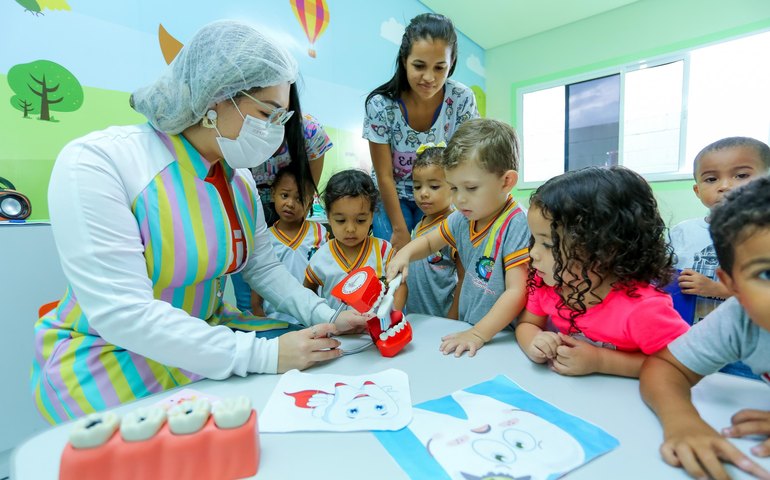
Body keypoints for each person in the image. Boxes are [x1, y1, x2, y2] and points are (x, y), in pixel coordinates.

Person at [30, 20, 366, 425]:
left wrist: (324, 314)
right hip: (110, 353)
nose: (274, 135)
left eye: (282, 120)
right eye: (266, 114)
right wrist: (265, 355)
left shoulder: (238, 180)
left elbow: (263, 267)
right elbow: (124, 314)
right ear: (215, 96)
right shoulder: (100, 162)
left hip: (210, 334)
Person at [640, 175, 770, 480]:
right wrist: (683, 421)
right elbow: (666, 366)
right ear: (732, 285)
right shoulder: (740, 318)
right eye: (766, 274)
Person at [516, 166, 690, 378]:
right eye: (534, 240)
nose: (532, 253)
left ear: (606, 249)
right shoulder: (549, 285)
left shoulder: (643, 309)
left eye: (548, 244)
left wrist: (600, 361)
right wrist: (535, 341)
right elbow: (527, 324)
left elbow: (683, 363)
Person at [387, 118, 530, 357]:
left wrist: (479, 334)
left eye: (471, 188)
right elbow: (431, 241)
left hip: (500, 338)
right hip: (468, 330)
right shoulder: (464, 217)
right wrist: (405, 254)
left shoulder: (516, 223)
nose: (459, 199)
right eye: (453, 188)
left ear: (506, 181)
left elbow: (517, 291)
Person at [363, 12, 479, 251]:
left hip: (442, 194)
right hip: (393, 197)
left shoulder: (461, 99)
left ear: (452, 64)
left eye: (440, 68)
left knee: (440, 262)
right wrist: (399, 230)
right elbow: (384, 175)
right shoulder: (380, 105)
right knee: (396, 260)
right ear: (404, 60)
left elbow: (467, 162)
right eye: (419, 66)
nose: (429, 77)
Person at [230, 95, 332, 313]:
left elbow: (307, 188)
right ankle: (251, 324)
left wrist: (292, 203)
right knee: (247, 292)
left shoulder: (310, 132)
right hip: (243, 208)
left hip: (288, 213)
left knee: (286, 272)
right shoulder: (234, 127)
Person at [669, 136, 770, 324]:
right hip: (691, 332)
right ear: (697, 190)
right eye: (711, 179)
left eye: (741, 175)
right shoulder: (682, 231)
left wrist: (717, 290)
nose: (724, 186)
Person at [304, 169, 406, 312]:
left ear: (371, 216)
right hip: (336, 332)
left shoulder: (383, 250)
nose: (350, 229)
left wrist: (391, 316)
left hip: (377, 332)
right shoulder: (321, 257)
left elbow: (400, 285)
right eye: (340, 220)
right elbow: (307, 292)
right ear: (328, 216)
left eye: (360, 220)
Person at [250, 167, 327, 322]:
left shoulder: (320, 233)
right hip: (276, 319)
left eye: (299, 199)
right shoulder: (265, 238)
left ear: (310, 203)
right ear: (273, 194)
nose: (290, 204)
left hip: (314, 317)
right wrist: (258, 311)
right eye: (285, 195)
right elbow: (259, 279)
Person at [404, 142, 462, 319]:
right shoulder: (419, 224)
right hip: (418, 316)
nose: (423, 193)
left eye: (434, 186)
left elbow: (464, 279)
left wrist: (453, 318)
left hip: (444, 318)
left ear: (453, 186)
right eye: (417, 186)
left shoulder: (453, 226)